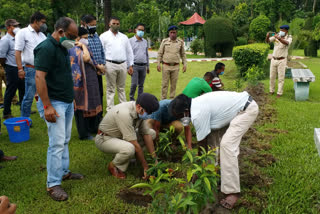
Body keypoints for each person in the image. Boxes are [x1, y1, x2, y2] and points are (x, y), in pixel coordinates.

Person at [169, 91, 259, 209]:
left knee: (227, 145)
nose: (180, 120)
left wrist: (198, 169)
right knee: (212, 139)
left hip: (246, 110)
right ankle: (211, 173)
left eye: (179, 116)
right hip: (237, 109)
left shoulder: (198, 113)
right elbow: (207, 139)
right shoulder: (196, 104)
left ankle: (232, 192)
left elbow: (202, 146)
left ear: (186, 111)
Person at [34, 17, 84, 201]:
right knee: (56, 143)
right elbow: (39, 77)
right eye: (72, 36)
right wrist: (47, 106)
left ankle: (63, 172)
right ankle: (53, 184)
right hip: (53, 103)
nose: (74, 40)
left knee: (64, 140)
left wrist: (71, 99)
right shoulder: (46, 48)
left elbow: (63, 75)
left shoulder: (62, 47)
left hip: (66, 101)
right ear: (61, 32)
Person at [95, 93, 159, 179]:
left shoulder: (139, 111)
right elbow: (135, 144)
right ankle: (114, 166)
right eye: (149, 112)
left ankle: (133, 158)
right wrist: (145, 167)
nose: (149, 115)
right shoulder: (125, 114)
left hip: (120, 136)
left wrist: (155, 160)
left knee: (151, 133)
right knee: (130, 148)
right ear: (139, 107)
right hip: (105, 138)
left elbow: (146, 134)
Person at [69, 27, 103, 140]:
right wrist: (83, 46)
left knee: (93, 102)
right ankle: (84, 133)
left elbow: (91, 61)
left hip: (90, 80)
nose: (86, 40)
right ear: (77, 38)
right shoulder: (74, 48)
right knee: (82, 106)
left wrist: (98, 67)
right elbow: (87, 58)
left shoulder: (82, 47)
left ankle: (93, 128)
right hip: (80, 84)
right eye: (84, 38)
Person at [15, 11, 47, 117]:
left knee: (44, 93)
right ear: (35, 21)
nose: (44, 25)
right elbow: (17, 52)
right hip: (31, 69)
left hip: (43, 69)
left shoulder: (42, 35)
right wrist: (20, 69)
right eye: (43, 22)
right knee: (29, 96)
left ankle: (45, 113)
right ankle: (25, 119)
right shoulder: (23, 32)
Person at [99, 16, 134, 111]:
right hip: (110, 64)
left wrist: (130, 65)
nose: (115, 25)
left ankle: (124, 108)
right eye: (113, 23)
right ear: (109, 24)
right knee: (110, 88)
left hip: (122, 64)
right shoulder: (103, 36)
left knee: (121, 88)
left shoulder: (124, 37)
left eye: (117, 24)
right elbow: (100, 51)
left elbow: (129, 51)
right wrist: (101, 64)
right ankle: (110, 109)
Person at [0, 19, 25, 119]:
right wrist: (6, 66)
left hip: (22, 67)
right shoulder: (5, 40)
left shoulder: (19, 38)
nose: (17, 28)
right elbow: (1, 56)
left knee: (23, 90)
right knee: (11, 91)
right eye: (14, 26)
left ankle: (24, 110)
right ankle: (6, 112)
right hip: (12, 68)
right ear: (8, 27)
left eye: (18, 25)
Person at [82, 15, 105, 112]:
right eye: (92, 25)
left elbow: (101, 51)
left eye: (95, 25)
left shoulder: (96, 36)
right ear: (85, 24)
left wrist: (102, 65)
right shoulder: (83, 38)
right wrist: (97, 67)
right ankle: (90, 112)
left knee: (100, 92)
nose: (94, 27)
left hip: (100, 69)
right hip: (90, 70)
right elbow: (86, 56)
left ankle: (100, 113)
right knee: (91, 93)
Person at [157, 25, 187, 100]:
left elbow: (183, 54)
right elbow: (160, 53)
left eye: (174, 32)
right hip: (166, 66)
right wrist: (158, 64)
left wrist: (185, 64)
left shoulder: (180, 42)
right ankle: (163, 99)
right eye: (171, 32)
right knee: (164, 84)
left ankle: (171, 99)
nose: (173, 34)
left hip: (176, 66)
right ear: (169, 33)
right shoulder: (164, 42)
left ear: (176, 33)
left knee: (173, 85)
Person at [266, 25, 292, 98]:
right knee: (272, 76)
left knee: (281, 78)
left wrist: (279, 38)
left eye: (282, 30)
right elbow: (268, 41)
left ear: (286, 31)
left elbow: (286, 43)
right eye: (280, 30)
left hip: (282, 60)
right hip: (274, 59)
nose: (281, 31)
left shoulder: (289, 37)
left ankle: (279, 93)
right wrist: (267, 36)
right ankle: (271, 91)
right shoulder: (277, 36)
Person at [129, 23, 149, 101]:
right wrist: (129, 66)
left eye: (142, 30)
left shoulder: (145, 41)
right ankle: (131, 98)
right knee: (134, 84)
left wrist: (148, 66)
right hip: (135, 66)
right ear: (135, 30)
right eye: (139, 30)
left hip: (143, 66)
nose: (141, 31)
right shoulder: (130, 41)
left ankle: (140, 100)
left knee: (141, 85)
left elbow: (146, 54)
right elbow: (128, 54)